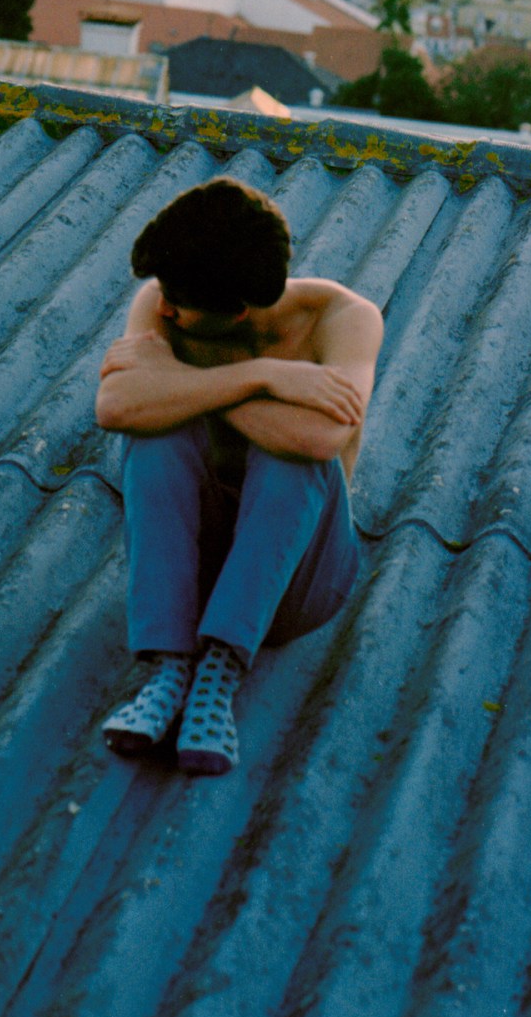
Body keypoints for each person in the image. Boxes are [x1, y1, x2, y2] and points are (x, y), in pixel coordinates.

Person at [94, 175, 382, 775]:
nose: (163, 307)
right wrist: (264, 379)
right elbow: (116, 408)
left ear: (240, 310)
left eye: (179, 302)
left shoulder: (344, 318)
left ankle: (217, 679)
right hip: (194, 569)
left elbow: (321, 437)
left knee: (288, 459)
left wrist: (179, 382)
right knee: (155, 440)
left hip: (296, 579)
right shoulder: (162, 299)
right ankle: (170, 668)